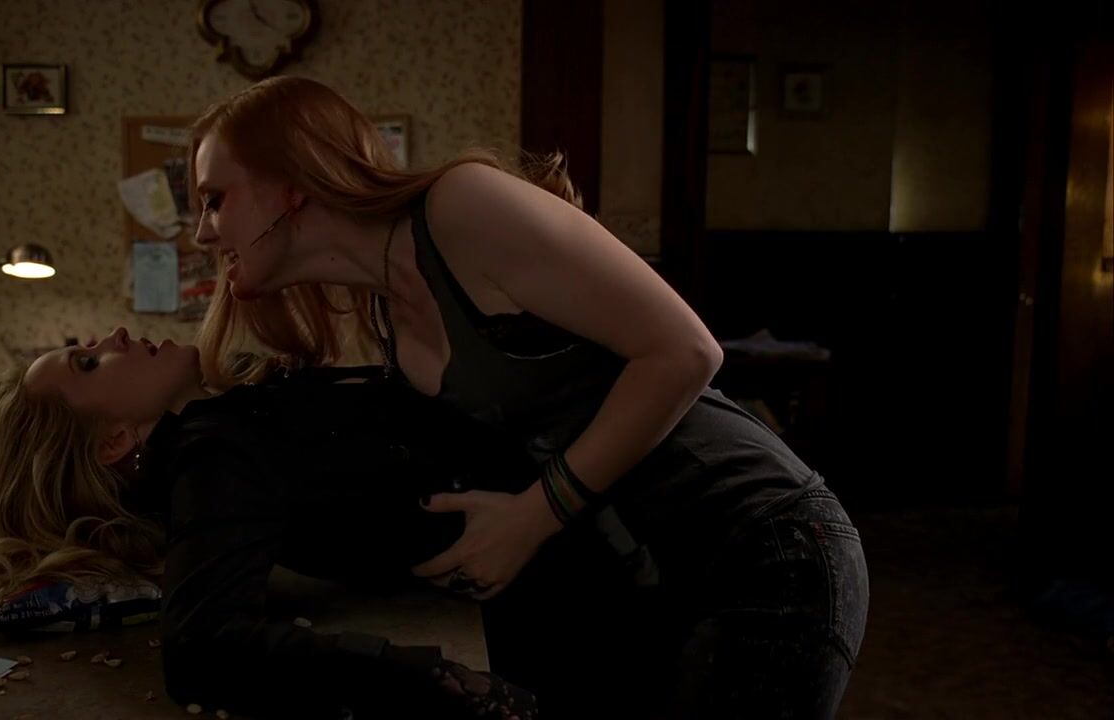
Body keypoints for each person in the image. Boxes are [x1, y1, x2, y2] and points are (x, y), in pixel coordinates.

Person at [188, 75, 869, 718]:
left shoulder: (460, 206)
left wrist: (536, 516)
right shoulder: (385, 314)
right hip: (660, 575)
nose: (201, 232)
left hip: (762, 543)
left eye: (215, 198)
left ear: (292, 186)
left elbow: (688, 351)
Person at [0, 328, 541, 720]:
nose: (114, 335)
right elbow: (202, 649)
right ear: (113, 440)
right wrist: (426, 676)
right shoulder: (211, 457)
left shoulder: (219, 420)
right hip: (556, 548)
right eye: (89, 363)